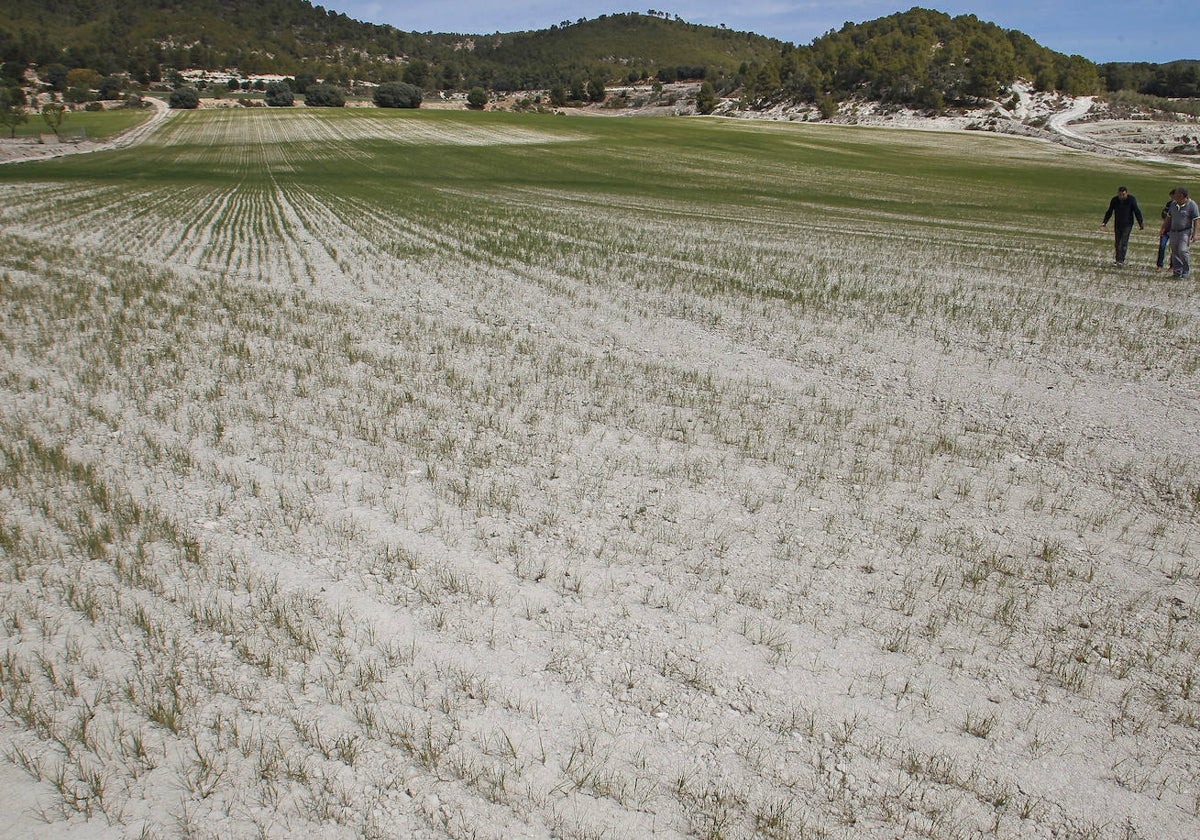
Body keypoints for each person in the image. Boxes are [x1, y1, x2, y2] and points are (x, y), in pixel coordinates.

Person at [1101, 186, 1144, 265]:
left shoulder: (1131, 200)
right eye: (1120, 195)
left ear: (1126, 193)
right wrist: (1104, 222)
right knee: (1117, 243)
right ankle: (1118, 260)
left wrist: (1140, 223)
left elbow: (1137, 211)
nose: (1121, 197)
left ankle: (1121, 260)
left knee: (1123, 243)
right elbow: (1109, 211)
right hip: (1118, 224)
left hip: (1128, 224)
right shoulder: (1114, 200)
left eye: (1123, 195)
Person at [1165, 187, 1200, 279]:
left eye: (1176, 194)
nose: (1174, 195)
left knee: (1182, 250)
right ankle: (1177, 273)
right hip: (1173, 232)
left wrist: (1195, 233)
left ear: (1181, 195)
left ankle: (1185, 272)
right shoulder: (1173, 204)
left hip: (1185, 232)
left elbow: (1196, 220)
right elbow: (1169, 217)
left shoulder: (1192, 205)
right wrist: (1163, 228)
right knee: (1175, 252)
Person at [1157, 190, 1175, 270]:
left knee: (1174, 249)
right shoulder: (1168, 204)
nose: (1172, 198)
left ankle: (1172, 266)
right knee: (1162, 246)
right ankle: (1159, 265)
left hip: (1175, 230)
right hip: (1166, 229)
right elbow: (1164, 215)